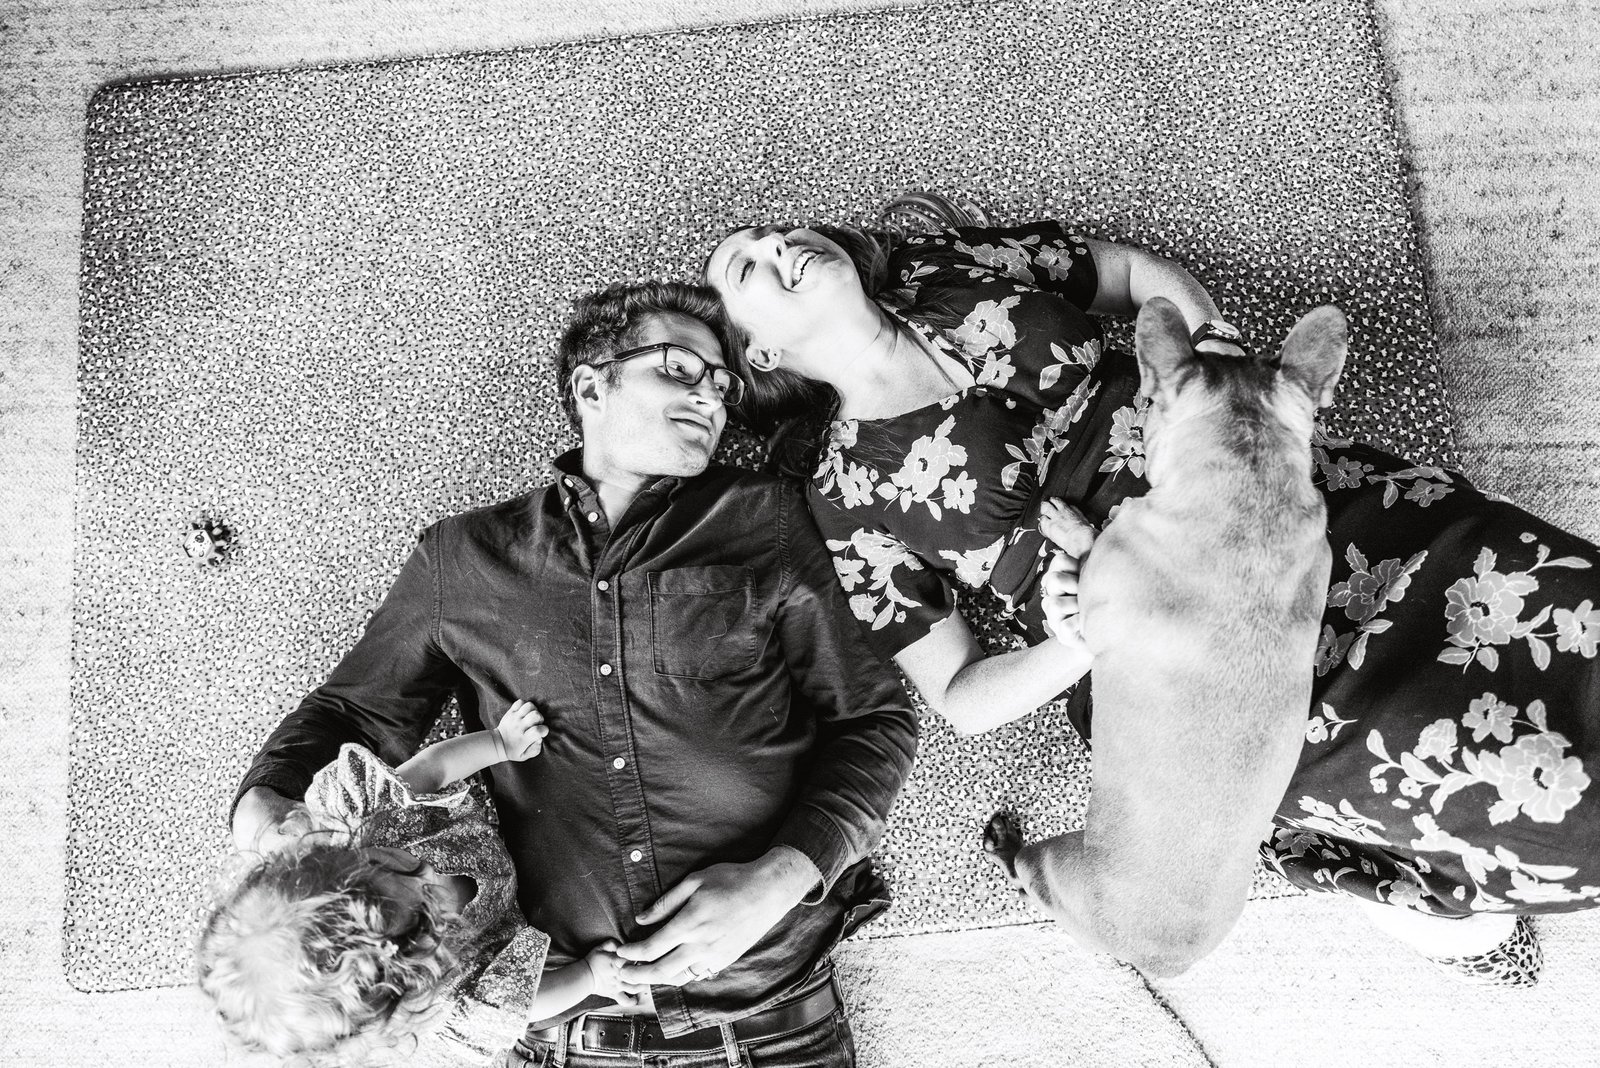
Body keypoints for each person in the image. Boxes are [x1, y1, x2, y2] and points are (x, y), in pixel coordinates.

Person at [703, 197, 1600, 986]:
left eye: (778, 231)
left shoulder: (943, 268)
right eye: (748, 264)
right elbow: (960, 697)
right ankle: (1459, 926)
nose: (779, 244)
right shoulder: (845, 494)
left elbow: (1132, 278)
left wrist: (1213, 350)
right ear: (762, 351)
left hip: (1296, 502)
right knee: (1498, 773)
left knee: (1559, 615)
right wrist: (1079, 640)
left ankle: (1443, 908)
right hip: (1181, 667)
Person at [231, 281, 919, 1067]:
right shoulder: (463, 560)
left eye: (722, 384)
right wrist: (266, 812)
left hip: (771, 1015)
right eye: (679, 368)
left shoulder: (770, 519)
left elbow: (874, 721)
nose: (711, 397)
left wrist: (780, 879)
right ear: (592, 387)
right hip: (556, 1032)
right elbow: (354, 717)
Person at [201, 703, 638, 1065]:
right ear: (414, 968)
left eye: (384, 862)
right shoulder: (450, 997)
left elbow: (432, 770)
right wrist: (589, 977)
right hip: (516, 918)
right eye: (423, 896)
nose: (427, 870)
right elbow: (526, 1002)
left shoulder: (363, 824)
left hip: (478, 839)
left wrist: (500, 743)